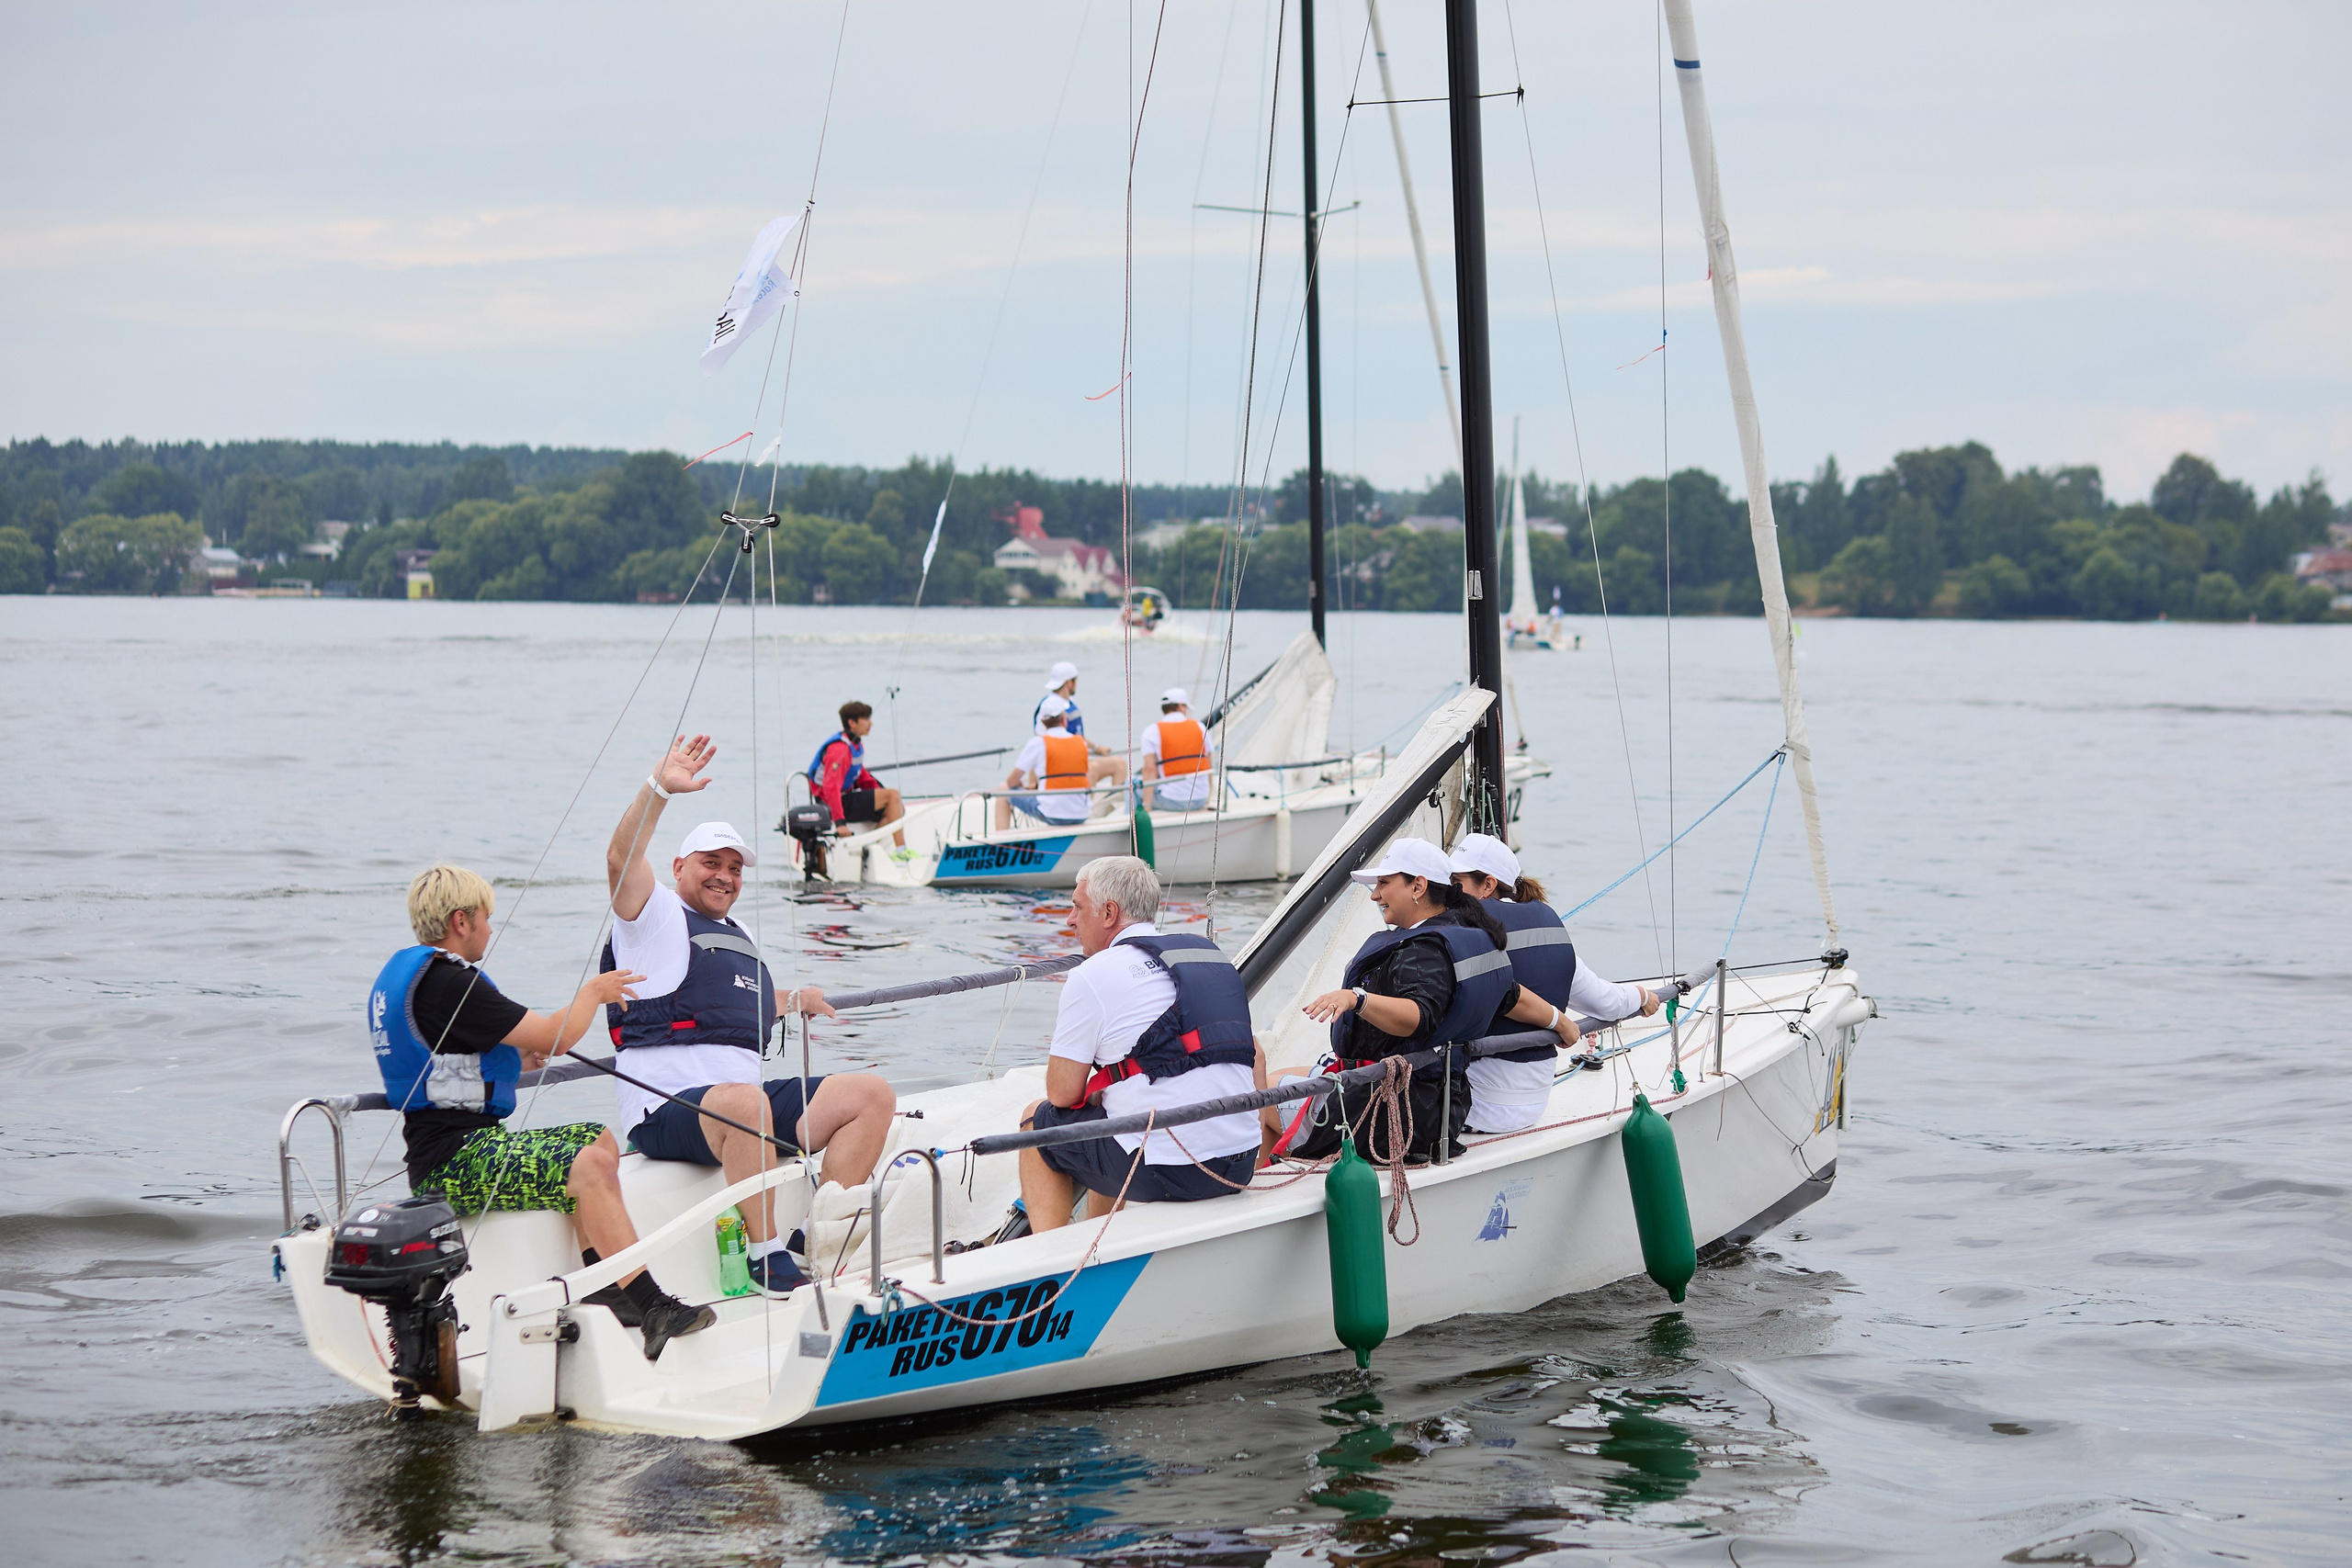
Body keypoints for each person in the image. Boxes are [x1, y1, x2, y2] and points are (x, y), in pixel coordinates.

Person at [373, 864, 715, 1359]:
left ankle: (605, 1286)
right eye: (486, 917)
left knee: (598, 1139)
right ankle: (653, 1306)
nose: (491, 928)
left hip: (459, 1146)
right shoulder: (450, 983)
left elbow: (454, 1056)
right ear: (461, 921)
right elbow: (557, 1036)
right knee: (589, 1164)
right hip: (451, 1164)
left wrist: (513, 1058)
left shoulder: (424, 980)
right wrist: (593, 993)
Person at [603, 734, 899, 1292]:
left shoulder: (737, 930)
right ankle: (765, 1256)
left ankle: (814, 1238)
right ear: (679, 867)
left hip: (746, 1108)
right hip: (666, 1111)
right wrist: (658, 788)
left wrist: (792, 1000)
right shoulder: (652, 917)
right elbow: (621, 860)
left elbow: (726, 1001)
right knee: (746, 1104)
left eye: (735, 868)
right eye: (711, 863)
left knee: (871, 1094)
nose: (725, 875)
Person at [1274, 839, 1577, 1165]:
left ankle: (1262, 1186)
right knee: (1278, 1076)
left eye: (1384, 883)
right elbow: (1511, 996)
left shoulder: (1424, 950)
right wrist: (1561, 1023)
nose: (1375, 895)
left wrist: (1356, 999)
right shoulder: (1471, 938)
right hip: (1442, 1108)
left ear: (1418, 886)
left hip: (1390, 1112)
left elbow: (1418, 1015)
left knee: (1262, 1096)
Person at [1015, 857, 1261, 1230]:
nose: (1069, 920)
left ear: (1109, 913)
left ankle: (1052, 1253)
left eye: (1077, 907)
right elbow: (1255, 1053)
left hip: (1171, 1171)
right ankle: (1103, 1231)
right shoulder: (1207, 955)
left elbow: (1062, 1094)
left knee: (1037, 1120)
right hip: (1241, 1162)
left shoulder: (1091, 974)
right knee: (1114, 1110)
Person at [1449, 833, 1659, 1134]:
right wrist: (1641, 996)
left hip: (1477, 1104)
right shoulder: (1548, 930)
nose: (1446, 890)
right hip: (1533, 1103)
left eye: (1455, 882)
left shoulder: (1463, 931)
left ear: (1487, 885)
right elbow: (1606, 1001)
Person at [996, 694, 1126, 829]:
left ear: (1042, 723)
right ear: (1064, 720)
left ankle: (1000, 839)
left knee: (1003, 789)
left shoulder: (1037, 743)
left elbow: (1011, 782)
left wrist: (1022, 785)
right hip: (1081, 814)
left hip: (1053, 815)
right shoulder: (1080, 742)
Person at [807, 700, 907, 851]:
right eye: (865, 719)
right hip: (831, 803)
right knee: (893, 795)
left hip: (845, 797)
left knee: (897, 808)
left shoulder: (854, 744)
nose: (870, 724)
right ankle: (902, 851)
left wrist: (880, 791)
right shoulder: (839, 750)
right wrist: (839, 822)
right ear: (852, 723)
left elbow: (861, 775)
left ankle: (871, 848)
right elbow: (830, 787)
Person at [1137, 687, 1215, 812]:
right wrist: (1207, 799)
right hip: (1200, 799)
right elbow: (1210, 764)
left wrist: (1147, 805)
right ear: (1180, 707)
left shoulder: (1151, 731)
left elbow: (1149, 770)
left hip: (1173, 801)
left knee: (1131, 783)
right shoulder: (1200, 727)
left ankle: (1135, 820)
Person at [1033, 660, 1118, 759]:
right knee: (1118, 763)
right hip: (1061, 758)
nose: (1076, 685)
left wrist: (1097, 748)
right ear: (1069, 683)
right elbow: (1052, 739)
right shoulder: (1050, 706)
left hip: (1075, 753)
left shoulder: (1069, 701)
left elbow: (1076, 736)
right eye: (1076, 681)